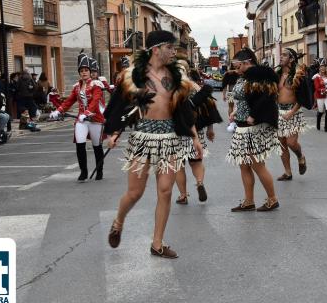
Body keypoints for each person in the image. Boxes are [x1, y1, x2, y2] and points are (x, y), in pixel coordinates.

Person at [104, 30, 203, 258]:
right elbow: (119, 106)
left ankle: (157, 243)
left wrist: (194, 137)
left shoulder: (176, 77)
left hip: (169, 138)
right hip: (142, 138)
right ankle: (118, 221)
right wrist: (114, 132)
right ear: (156, 49)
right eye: (169, 47)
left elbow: (184, 109)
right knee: (135, 192)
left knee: (166, 190)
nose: (173, 52)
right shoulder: (133, 76)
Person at [226, 47, 281, 212]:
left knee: (257, 164)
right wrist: (236, 112)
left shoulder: (258, 74)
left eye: (238, 66)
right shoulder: (245, 76)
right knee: (244, 164)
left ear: (246, 62)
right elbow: (247, 98)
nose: (236, 69)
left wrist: (254, 115)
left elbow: (266, 97)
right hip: (242, 125)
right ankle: (249, 201)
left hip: (253, 126)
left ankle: (272, 199)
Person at [50, 53, 106, 181]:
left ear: (90, 71)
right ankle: (83, 172)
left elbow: (95, 101)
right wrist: (58, 111)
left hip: (95, 119)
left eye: (86, 70)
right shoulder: (77, 87)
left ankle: (99, 170)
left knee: (97, 146)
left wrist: (87, 113)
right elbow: (69, 101)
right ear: (79, 73)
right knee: (80, 144)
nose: (84, 73)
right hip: (81, 120)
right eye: (81, 71)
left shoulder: (96, 85)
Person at [175, 62, 223, 205]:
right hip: (197, 128)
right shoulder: (195, 86)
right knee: (196, 161)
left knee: (178, 164)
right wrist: (210, 129)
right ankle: (200, 183)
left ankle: (183, 195)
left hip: (177, 129)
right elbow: (209, 106)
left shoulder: (171, 88)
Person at [275, 48, 308, 181]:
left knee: (291, 143)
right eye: (281, 55)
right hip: (278, 112)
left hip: (293, 112)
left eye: (284, 55)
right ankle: (288, 172)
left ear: (292, 59)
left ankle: (300, 156)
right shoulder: (276, 74)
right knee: (282, 145)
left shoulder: (298, 75)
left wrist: (291, 112)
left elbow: (302, 98)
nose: (281, 57)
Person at [313, 61, 327, 132]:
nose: (323, 68)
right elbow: (317, 87)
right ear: (319, 68)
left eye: (324, 67)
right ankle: (318, 123)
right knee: (321, 111)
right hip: (320, 95)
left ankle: (326, 127)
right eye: (321, 67)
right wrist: (324, 90)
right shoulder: (317, 77)